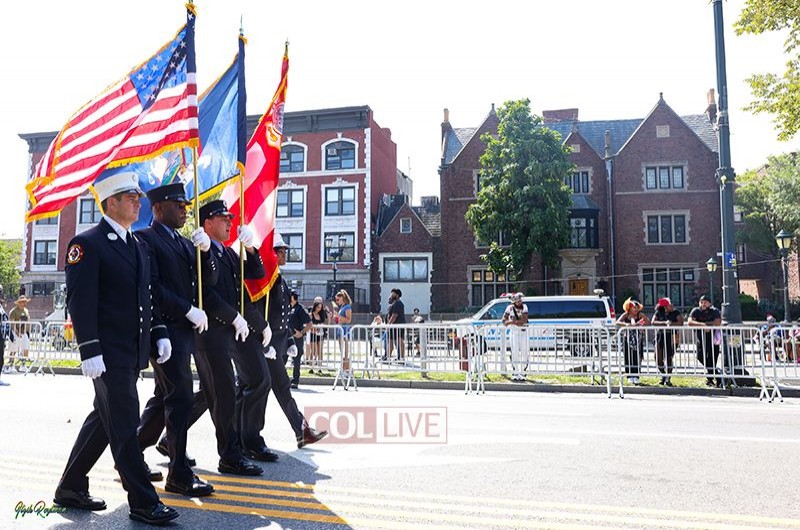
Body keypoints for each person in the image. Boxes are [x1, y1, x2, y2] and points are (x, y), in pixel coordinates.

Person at [53, 172, 179, 525]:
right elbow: (81, 301)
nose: (139, 201)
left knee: (103, 418)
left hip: (131, 350)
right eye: (131, 197)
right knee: (124, 424)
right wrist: (88, 348)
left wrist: (158, 332)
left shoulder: (137, 245)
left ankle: (70, 486)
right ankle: (142, 500)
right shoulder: (88, 243)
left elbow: (146, 296)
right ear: (111, 202)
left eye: (138, 196)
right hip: (106, 353)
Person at [134, 182, 216, 497]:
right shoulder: (147, 239)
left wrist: (206, 253)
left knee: (163, 400)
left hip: (185, 330)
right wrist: (187, 309)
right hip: (165, 330)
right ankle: (179, 474)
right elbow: (151, 288)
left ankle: (130, 453)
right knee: (181, 397)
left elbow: (207, 280)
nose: (185, 208)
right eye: (177, 203)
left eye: (185, 203)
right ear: (157, 208)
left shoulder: (183, 243)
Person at [193, 199, 264, 475]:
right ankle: (230, 456)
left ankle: (229, 453)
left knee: (220, 395)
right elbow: (206, 292)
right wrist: (233, 316)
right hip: (210, 334)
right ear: (208, 223)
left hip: (226, 334)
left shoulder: (228, 253)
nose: (230, 223)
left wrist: (249, 247)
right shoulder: (202, 250)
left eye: (231, 219)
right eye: (224, 219)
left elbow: (256, 272)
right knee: (222, 396)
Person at [261, 234, 327, 448]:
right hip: (265, 345)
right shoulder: (264, 278)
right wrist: (266, 343)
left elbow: (284, 315)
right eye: (280, 250)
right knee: (235, 392)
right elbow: (261, 314)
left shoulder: (279, 278)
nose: (284, 253)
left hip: (277, 345)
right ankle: (247, 437)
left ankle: (301, 430)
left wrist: (289, 338)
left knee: (279, 388)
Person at [687, 295, 722, 387]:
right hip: (701, 338)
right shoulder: (696, 311)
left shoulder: (714, 311)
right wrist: (703, 325)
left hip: (713, 339)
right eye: (701, 302)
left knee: (712, 358)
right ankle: (717, 375)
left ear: (709, 303)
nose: (703, 304)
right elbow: (690, 322)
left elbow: (717, 322)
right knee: (700, 357)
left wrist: (707, 325)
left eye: (705, 302)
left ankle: (711, 379)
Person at [616, 298, 650, 385]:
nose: (636, 309)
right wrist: (627, 324)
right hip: (627, 339)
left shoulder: (640, 315)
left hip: (638, 339)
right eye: (634, 307)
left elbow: (648, 322)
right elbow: (617, 322)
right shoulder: (626, 315)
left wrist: (640, 324)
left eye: (637, 307)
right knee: (628, 357)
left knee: (637, 357)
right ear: (629, 308)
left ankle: (636, 375)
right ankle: (629, 376)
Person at [651, 297, 683, 387]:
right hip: (660, 335)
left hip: (672, 336)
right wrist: (665, 323)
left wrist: (670, 324)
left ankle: (668, 377)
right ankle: (663, 374)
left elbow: (680, 322)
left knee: (669, 357)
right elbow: (653, 322)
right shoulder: (659, 312)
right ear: (665, 306)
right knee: (658, 358)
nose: (672, 306)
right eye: (669, 304)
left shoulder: (676, 312)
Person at [502, 292, 528, 381]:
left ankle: (523, 372)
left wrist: (512, 321)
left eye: (520, 300)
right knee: (514, 352)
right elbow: (504, 320)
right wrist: (515, 322)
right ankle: (515, 372)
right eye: (518, 301)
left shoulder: (524, 307)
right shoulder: (509, 308)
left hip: (523, 332)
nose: (519, 302)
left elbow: (524, 320)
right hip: (513, 332)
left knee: (524, 352)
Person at [288, 290, 312, 388]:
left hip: (296, 338)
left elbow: (309, 323)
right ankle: (283, 380)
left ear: (292, 297)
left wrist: (301, 333)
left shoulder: (300, 308)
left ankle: (295, 381)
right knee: (282, 358)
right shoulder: (287, 307)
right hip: (287, 337)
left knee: (296, 359)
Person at [8, 295, 31, 371]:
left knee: (25, 348)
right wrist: (16, 332)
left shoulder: (26, 311)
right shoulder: (13, 311)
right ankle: (11, 365)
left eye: (25, 302)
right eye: (22, 302)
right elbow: (12, 323)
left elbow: (28, 321)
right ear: (18, 303)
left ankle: (23, 365)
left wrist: (27, 331)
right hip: (15, 332)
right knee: (13, 349)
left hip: (24, 332)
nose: (24, 303)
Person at [307, 299, 328, 373]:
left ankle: (320, 367)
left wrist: (328, 318)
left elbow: (326, 323)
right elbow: (308, 324)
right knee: (313, 350)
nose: (319, 309)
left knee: (320, 350)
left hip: (320, 334)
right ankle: (311, 367)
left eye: (320, 307)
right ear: (315, 307)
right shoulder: (311, 314)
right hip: (313, 334)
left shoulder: (321, 314)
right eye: (318, 307)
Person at [334, 290, 353, 370]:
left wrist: (338, 316)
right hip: (340, 329)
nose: (337, 302)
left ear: (342, 298)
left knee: (345, 352)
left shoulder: (347, 307)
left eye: (338, 300)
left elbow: (348, 320)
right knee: (342, 351)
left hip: (345, 330)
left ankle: (346, 369)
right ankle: (344, 369)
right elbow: (340, 319)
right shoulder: (342, 307)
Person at [386, 288, 406, 361]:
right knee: (390, 341)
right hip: (393, 326)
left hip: (398, 325)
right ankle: (388, 357)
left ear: (397, 295)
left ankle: (402, 358)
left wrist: (388, 324)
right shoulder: (393, 304)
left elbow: (394, 316)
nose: (391, 295)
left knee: (400, 341)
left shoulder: (398, 303)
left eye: (393, 293)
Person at [0, 298, 10, 385]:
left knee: (1, 358)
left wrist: (10, 336)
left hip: (1, 336)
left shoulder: (1, 308)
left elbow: (5, 323)